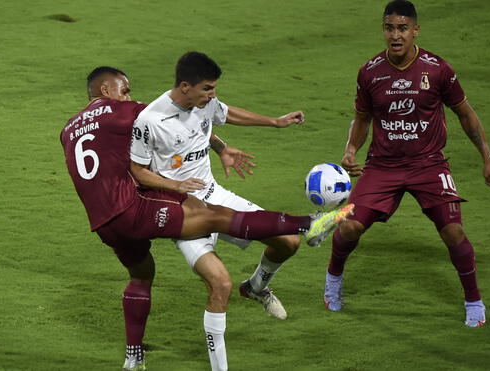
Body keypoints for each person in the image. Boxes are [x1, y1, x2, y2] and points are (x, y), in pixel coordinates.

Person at [60, 67, 353, 371]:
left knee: (143, 274)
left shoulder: (68, 129)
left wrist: (222, 148)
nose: (129, 97)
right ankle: (308, 223)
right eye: (125, 90)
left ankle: (135, 356)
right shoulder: (127, 112)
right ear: (106, 90)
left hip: (104, 223)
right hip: (147, 205)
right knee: (217, 259)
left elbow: (192, 122)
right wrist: (176, 182)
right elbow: (155, 132)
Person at [322, 0, 490, 328]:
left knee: (454, 231)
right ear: (383, 30)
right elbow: (362, 118)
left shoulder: (437, 69)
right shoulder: (370, 72)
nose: (395, 34)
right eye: (389, 28)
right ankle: (333, 279)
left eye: (402, 28)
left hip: (429, 164)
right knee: (349, 226)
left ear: (415, 30)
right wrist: (350, 150)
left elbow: (466, 114)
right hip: (383, 166)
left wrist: (487, 160)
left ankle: (473, 300)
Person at [129, 51, 309, 371]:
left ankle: (255, 287)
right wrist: (174, 188)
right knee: (220, 284)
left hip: (216, 196)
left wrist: (271, 124)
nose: (213, 96)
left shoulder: (203, 103)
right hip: (184, 213)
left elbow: (220, 116)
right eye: (207, 89)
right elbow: (138, 170)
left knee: (288, 241)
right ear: (186, 86)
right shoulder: (150, 121)